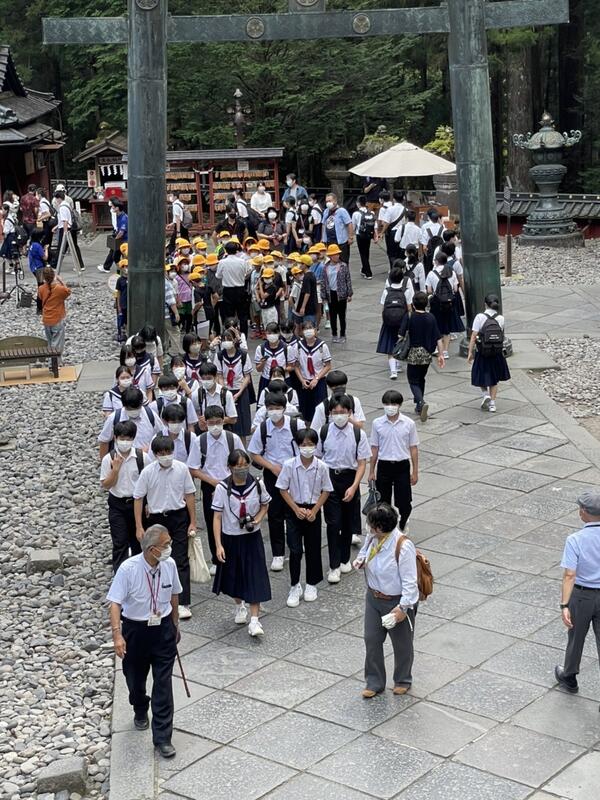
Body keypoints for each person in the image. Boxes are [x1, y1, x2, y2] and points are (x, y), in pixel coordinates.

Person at [107, 524, 181, 759]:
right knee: (135, 679)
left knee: (163, 684)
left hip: (163, 630)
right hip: (136, 630)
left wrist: (175, 624)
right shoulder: (128, 569)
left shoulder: (169, 565)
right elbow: (115, 603)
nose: (169, 548)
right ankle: (139, 706)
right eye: (166, 545)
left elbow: (174, 594)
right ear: (152, 549)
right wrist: (117, 635)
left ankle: (163, 738)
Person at [353, 503, 418, 698]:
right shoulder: (373, 537)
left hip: (396, 601)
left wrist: (403, 608)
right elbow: (364, 553)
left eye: (371, 524)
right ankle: (374, 681)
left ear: (380, 527)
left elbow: (410, 582)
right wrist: (361, 560)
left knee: (402, 643)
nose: (368, 528)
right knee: (371, 639)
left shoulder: (403, 546)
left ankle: (403, 679)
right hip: (374, 597)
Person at [134, 435, 197, 620]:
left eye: (168, 452)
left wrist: (193, 521)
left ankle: (183, 602)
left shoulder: (182, 469)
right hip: (156, 518)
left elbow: (190, 494)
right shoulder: (147, 472)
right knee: (155, 558)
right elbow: (138, 497)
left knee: (180, 559)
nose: (165, 456)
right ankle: (156, 598)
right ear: (155, 454)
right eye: (161, 453)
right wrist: (139, 526)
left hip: (178, 516)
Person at [212, 449, 271, 636]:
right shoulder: (222, 488)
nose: (242, 469)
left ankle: (254, 620)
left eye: (245, 465)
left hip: (251, 537)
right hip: (231, 537)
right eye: (238, 466)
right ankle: (239, 606)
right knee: (234, 576)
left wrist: (257, 519)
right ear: (230, 467)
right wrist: (218, 545)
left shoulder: (257, 484)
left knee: (255, 575)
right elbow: (217, 517)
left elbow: (265, 504)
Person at [248, 392, 305, 571]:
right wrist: (271, 467)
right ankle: (278, 553)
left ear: (284, 408)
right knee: (275, 514)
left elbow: (306, 446)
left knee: (295, 509)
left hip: (294, 474)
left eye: (278, 408)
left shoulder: (296, 425)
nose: (274, 412)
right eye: (271, 408)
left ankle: (296, 544)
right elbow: (254, 453)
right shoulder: (263, 428)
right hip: (273, 475)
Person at [317, 395, 371, 583]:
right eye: (335, 412)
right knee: (333, 523)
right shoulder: (324, 432)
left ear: (350, 413)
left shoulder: (358, 434)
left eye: (342, 412)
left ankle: (344, 558)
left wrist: (355, 486)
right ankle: (334, 566)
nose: (339, 415)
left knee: (348, 521)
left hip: (350, 478)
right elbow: (318, 458)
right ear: (330, 413)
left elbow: (362, 463)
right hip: (330, 478)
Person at [277, 427, 333, 606]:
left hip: (312, 510)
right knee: (294, 549)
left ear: (316, 445)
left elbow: (326, 490)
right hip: (294, 509)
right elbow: (282, 489)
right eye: (303, 444)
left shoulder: (322, 466)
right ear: (297, 445)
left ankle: (311, 583)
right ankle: (295, 585)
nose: (307, 448)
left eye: (310, 444)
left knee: (313, 548)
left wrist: (315, 510)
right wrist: (295, 509)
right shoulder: (289, 465)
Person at [555, 491, 600, 695]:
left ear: (584, 511)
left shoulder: (575, 540)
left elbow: (569, 575)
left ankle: (570, 676)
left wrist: (564, 604)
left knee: (576, 637)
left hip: (582, 596)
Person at [196, 406, 244, 574]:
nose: (215, 426)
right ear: (205, 423)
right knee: (212, 522)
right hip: (210, 485)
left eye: (218, 422)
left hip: (232, 483)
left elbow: (242, 461)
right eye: (211, 423)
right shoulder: (200, 441)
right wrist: (214, 483)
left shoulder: (233, 439)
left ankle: (235, 556)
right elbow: (193, 468)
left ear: (224, 420)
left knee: (234, 520)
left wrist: (228, 483)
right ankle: (216, 559)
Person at [100, 420, 150, 572]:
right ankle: (120, 577)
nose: (125, 442)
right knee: (119, 542)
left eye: (128, 439)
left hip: (137, 503)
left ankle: (139, 575)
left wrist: (148, 504)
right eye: (122, 438)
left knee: (139, 541)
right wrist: (115, 470)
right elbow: (106, 485)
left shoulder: (142, 457)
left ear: (133, 439)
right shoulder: (108, 459)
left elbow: (149, 483)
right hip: (118, 504)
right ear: (115, 438)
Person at [369, 390, 419, 532]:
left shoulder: (408, 423)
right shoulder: (377, 423)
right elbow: (374, 448)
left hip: (401, 465)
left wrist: (415, 471)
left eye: (393, 404)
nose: (390, 407)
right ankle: (387, 526)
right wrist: (371, 471)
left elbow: (413, 448)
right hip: (384, 465)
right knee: (383, 501)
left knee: (404, 500)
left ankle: (403, 519)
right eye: (387, 404)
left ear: (399, 405)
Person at [398, 291, 445, 421]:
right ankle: (419, 405)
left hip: (413, 353)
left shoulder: (409, 316)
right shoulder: (431, 317)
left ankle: (421, 402)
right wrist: (441, 354)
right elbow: (438, 338)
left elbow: (400, 334)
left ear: (413, 304)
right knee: (421, 378)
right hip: (427, 354)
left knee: (413, 380)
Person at [467, 293, 510, 413]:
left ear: (485, 304)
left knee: (480, 374)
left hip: (482, 351)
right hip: (496, 352)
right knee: (494, 379)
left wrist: (470, 352)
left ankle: (486, 394)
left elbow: (474, 336)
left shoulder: (480, 317)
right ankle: (492, 404)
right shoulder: (501, 318)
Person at [99, 387, 163, 457]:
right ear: (124, 405)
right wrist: (104, 461)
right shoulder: (114, 418)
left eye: (137, 408)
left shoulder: (150, 415)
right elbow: (104, 441)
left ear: (141, 404)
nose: (133, 411)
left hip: (147, 458)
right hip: (122, 460)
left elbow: (162, 435)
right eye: (129, 409)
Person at [214, 327, 253, 441]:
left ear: (235, 340)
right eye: (224, 339)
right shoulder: (219, 356)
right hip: (226, 391)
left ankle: (242, 449)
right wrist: (224, 390)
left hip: (240, 391)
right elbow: (219, 375)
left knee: (242, 426)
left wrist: (239, 393)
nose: (226, 341)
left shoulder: (243, 355)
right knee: (227, 425)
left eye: (229, 339)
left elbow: (247, 377)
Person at [376, 265, 413, 381]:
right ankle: (398, 365)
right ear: (402, 278)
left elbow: (383, 308)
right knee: (401, 343)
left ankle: (393, 371)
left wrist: (385, 320)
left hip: (388, 322)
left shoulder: (386, 291)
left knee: (390, 345)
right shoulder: (406, 291)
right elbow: (409, 308)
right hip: (402, 322)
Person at [425, 252, 464, 359]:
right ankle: (446, 351)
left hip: (436, 303)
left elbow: (429, 290)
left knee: (436, 325)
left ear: (436, 261)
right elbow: (455, 289)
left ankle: (437, 349)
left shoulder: (431, 274)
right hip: (449, 303)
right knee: (447, 328)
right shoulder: (451, 272)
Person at [294, 321, 332, 422]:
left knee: (320, 408)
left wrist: (316, 378)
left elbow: (328, 366)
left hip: (319, 381)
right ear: (302, 331)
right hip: (305, 382)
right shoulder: (298, 346)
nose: (308, 331)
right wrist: (302, 380)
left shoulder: (322, 346)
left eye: (310, 328)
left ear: (315, 330)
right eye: (305, 329)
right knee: (305, 409)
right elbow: (296, 366)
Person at [216, 241, 252, 336]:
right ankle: (243, 336)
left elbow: (218, 275)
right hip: (240, 289)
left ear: (226, 250)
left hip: (228, 290)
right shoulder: (242, 261)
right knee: (242, 315)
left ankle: (230, 335)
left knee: (229, 315)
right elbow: (247, 272)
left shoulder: (222, 262)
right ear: (236, 250)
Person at [37, 266, 71, 365]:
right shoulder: (59, 289)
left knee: (50, 340)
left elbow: (39, 299)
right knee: (57, 343)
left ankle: (52, 361)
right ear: (53, 276)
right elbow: (68, 291)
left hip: (46, 319)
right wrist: (60, 281)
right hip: (57, 317)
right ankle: (55, 363)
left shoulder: (41, 288)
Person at [322, 243, 353, 344]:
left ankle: (343, 334)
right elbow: (323, 282)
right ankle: (334, 334)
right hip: (331, 294)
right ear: (330, 256)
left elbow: (348, 280)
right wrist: (324, 296)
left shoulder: (343, 266)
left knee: (342, 316)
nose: (337, 256)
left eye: (338, 254)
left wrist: (349, 294)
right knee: (333, 315)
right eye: (335, 254)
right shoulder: (325, 267)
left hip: (341, 294)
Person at [254, 322, 294, 395]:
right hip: (266, 379)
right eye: (269, 333)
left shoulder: (287, 348)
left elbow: (291, 367)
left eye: (274, 333)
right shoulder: (261, 348)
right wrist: (263, 363)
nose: (271, 335)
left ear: (278, 333)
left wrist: (280, 370)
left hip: (283, 379)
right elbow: (258, 369)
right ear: (266, 334)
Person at [52, 189, 85, 271]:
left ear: (59, 198)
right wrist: (57, 227)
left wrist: (65, 232)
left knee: (61, 247)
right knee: (74, 247)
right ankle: (80, 265)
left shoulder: (62, 207)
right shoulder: (67, 204)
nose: (55, 201)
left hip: (66, 229)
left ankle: (55, 265)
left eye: (56, 199)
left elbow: (65, 221)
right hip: (71, 228)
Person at [321, 192, 354, 265]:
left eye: (330, 201)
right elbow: (323, 225)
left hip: (341, 242)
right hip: (329, 241)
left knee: (343, 261)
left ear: (335, 201)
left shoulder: (342, 211)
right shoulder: (326, 211)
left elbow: (349, 223)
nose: (328, 203)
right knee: (331, 262)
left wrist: (350, 237)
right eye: (326, 201)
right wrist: (323, 238)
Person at [97, 197, 128, 272]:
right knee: (115, 256)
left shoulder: (124, 218)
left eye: (113, 206)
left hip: (124, 240)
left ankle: (123, 271)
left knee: (120, 257)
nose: (112, 208)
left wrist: (115, 239)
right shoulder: (118, 215)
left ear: (117, 208)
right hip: (120, 239)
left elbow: (121, 232)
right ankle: (120, 270)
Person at [291, 255, 319, 336]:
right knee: (311, 326)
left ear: (305, 265)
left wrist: (303, 307)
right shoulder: (312, 274)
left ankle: (313, 340)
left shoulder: (307, 276)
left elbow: (307, 293)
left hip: (308, 307)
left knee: (309, 327)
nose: (299, 265)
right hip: (312, 304)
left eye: (300, 263)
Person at [352, 194, 377, 279]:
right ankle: (363, 269)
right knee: (366, 252)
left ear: (358, 203)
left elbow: (353, 227)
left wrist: (351, 236)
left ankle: (368, 273)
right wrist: (375, 236)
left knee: (362, 254)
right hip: (369, 235)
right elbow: (375, 225)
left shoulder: (356, 214)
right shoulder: (371, 213)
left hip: (360, 235)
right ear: (366, 203)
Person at [378, 190, 405, 268]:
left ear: (393, 199)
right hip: (402, 232)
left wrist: (382, 232)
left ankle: (393, 269)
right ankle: (400, 269)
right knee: (400, 252)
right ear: (403, 199)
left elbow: (386, 223)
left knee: (391, 253)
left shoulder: (390, 209)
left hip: (392, 233)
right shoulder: (405, 210)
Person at [420, 209, 445, 274]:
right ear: (438, 219)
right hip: (441, 254)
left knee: (429, 272)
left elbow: (424, 247)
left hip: (429, 254)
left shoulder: (426, 228)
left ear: (430, 218)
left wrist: (427, 256)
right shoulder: (443, 229)